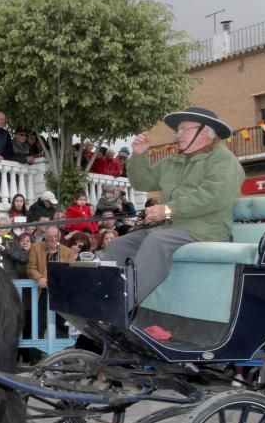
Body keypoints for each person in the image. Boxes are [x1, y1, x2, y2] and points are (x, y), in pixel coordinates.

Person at [99, 107, 244, 307]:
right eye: (177, 131)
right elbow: (143, 182)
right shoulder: (174, 161)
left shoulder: (224, 160)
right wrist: (139, 155)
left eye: (184, 129)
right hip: (171, 227)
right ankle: (102, 297)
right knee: (117, 245)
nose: (177, 135)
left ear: (205, 131)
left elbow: (212, 196)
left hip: (205, 229)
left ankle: (120, 305)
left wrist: (168, 210)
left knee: (157, 241)